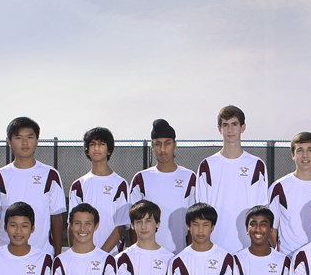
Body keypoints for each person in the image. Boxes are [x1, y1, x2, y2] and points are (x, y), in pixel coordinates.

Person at [0, 116, 66, 255]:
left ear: (37, 140)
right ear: (9, 142)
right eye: (18, 137)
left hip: (42, 255)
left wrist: (56, 254)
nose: (25, 142)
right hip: (6, 255)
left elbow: (56, 216)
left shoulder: (50, 175)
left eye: (29, 137)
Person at [195, 105, 268, 253]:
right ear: (219, 128)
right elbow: (200, 210)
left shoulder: (256, 165)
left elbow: (261, 209)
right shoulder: (207, 165)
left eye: (234, 124)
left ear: (243, 127)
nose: (230, 130)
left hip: (248, 246)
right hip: (214, 246)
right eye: (225, 125)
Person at [128, 119, 197, 254]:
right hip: (148, 255)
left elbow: (194, 221)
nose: (163, 149)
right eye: (158, 144)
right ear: (152, 146)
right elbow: (132, 221)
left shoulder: (189, 177)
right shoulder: (141, 179)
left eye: (167, 143)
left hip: (180, 254)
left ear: (175, 145)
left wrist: (189, 255)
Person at [268, 131, 311, 256]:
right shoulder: (279, 187)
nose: (305, 155)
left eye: (310, 150)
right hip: (288, 258)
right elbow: (272, 229)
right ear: (293, 155)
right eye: (300, 150)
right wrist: (281, 255)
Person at [69, 127, 130, 255]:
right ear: (87, 150)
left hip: (112, 257)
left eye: (101, 144)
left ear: (109, 150)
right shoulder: (78, 185)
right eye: (92, 144)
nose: (96, 148)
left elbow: (121, 226)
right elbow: (72, 225)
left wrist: (101, 256)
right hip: (84, 256)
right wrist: (77, 254)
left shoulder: (120, 184)